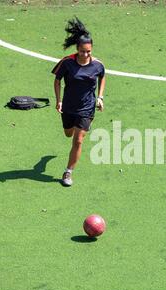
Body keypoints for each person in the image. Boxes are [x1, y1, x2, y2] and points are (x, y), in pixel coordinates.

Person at [52, 17, 106, 187]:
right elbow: (57, 80)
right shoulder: (67, 62)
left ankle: (68, 172)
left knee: (78, 140)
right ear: (77, 49)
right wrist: (58, 101)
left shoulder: (97, 65)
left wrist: (100, 96)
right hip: (68, 107)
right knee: (68, 133)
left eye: (88, 51)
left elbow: (103, 77)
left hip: (87, 108)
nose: (86, 54)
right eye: (83, 51)